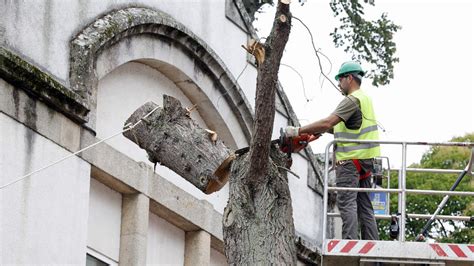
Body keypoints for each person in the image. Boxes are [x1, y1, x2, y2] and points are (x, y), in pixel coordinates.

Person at [285, 61, 380, 240]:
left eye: (340, 79)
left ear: (349, 78)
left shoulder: (352, 100)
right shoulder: (365, 99)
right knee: (365, 206)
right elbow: (346, 127)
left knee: (346, 202)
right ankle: (372, 245)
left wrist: (297, 131)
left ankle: (350, 244)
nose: (338, 84)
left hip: (350, 161)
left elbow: (329, 122)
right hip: (366, 161)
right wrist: (316, 133)